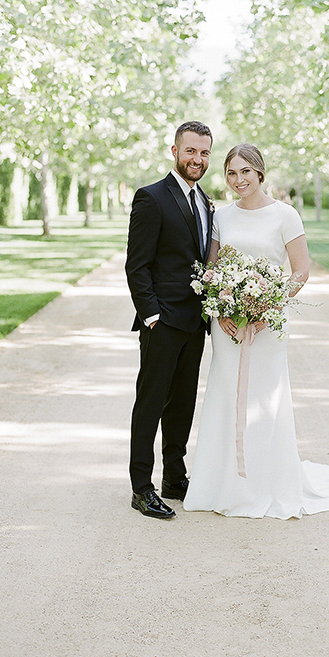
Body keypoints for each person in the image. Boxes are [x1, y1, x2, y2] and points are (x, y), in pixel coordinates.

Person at [183, 144, 329, 519]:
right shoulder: (221, 216)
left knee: (266, 399)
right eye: (232, 173)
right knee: (224, 394)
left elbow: (300, 271)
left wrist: (267, 306)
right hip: (228, 326)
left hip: (268, 325)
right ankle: (220, 485)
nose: (239, 180)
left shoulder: (285, 214)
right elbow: (212, 268)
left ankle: (265, 484)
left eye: (246, 171)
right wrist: (222, 311)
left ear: (260, 173)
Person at [125, 121, 214, 519]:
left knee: (182, 405)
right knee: (151, 404)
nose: (198, 159)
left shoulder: (206, 202)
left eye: (204, 153)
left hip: (195, 323)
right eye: (191, 151)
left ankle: (174, 478)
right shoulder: (151, 198)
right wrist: (152, 316)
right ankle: (141, 488)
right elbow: (137, 266)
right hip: (162, 324)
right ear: (175, 151)